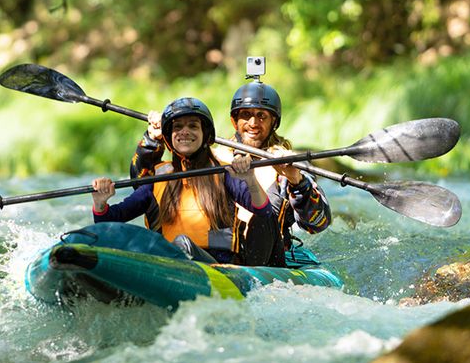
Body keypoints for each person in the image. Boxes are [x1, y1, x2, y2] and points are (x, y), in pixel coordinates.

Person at [130, 79, 332, 267]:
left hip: (264, 257)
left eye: (261, 116)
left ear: (274, 123)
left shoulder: (286, 165)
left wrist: (297, 181)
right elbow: (143, 183)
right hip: (217, 254)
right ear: (234, 121)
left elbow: (317, 224)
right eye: (246, 115)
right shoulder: (213, 159)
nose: (253, 123)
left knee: (265, 213)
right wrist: (152, 141)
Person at [91, 97, 272, 264]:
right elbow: (109, 221)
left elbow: (263, 210)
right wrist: (100, 203)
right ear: (169, 138)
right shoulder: (158, 178)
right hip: (168, 264)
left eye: (193, 126)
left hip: (220, 267)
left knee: (183, 244)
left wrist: (250, 179)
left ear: (205, 135)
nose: (184, 132)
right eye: (178, 127)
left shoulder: (224, 172)